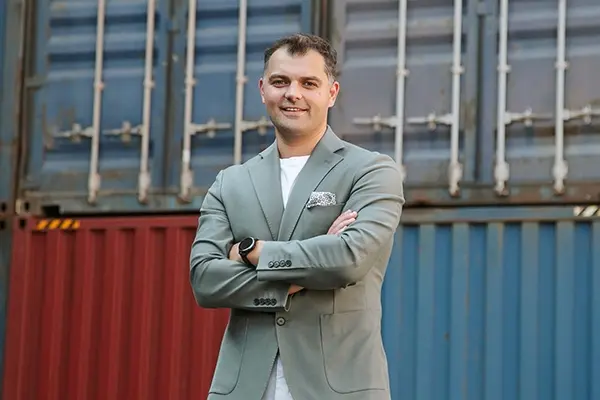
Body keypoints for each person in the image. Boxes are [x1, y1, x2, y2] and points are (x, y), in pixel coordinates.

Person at [189, 33, 405, 400]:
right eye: (280, 82)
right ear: (262, 90)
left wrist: (252, 252)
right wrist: (302, 273)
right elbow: (205, 280)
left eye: (308, 83)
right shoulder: (231, 182)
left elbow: (347, 260)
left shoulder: (371, 171)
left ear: (331, 93)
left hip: (340, 390)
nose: (293, 93)